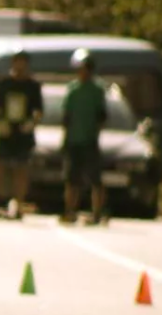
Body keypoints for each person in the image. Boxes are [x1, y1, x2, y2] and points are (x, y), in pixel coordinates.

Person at [0, 49, 43, 220]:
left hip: (23, 133)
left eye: (23, 62)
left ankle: (18, 204)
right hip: (5, 131)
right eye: (18, 61)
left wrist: (31, 124)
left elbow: (38, 111)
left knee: (21, 169)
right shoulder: (3, 83)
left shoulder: (33, 86)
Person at [62, 48, 108, 225]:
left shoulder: (97, 90)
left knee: (95, 178)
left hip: (90, 139)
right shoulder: (73, 89)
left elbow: (101, 116)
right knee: (71, 178)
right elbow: (66, 116)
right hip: (74, 139)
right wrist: (65, 137)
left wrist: (95, 133)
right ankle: (69, 210)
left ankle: (97, 212)